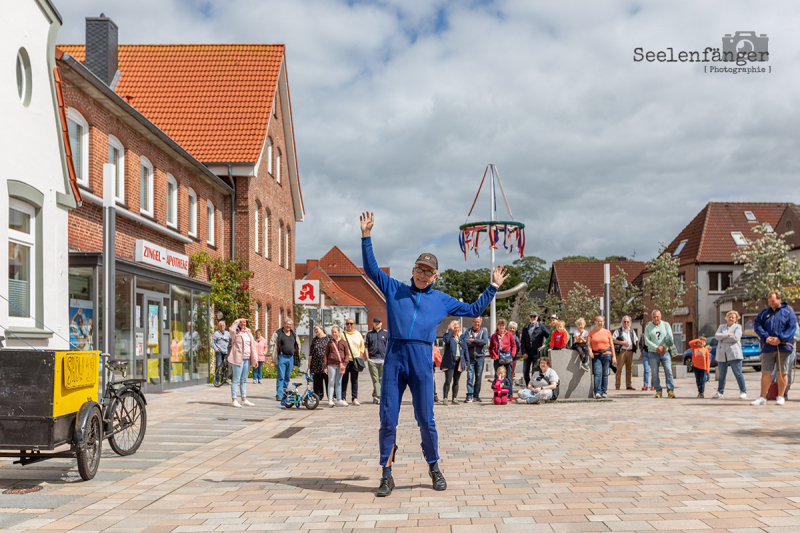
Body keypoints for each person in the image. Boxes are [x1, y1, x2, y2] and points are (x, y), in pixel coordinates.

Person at [360, 212, 507, 497]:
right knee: (388, 417)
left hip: (421, 359)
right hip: (395, 356)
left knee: (426, 418)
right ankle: (386, 473)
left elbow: (474, 310)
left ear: (435, 276)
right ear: (413, 269)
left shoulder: (441, 300)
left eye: (428, 271)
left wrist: (493, 287)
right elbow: (370, 269)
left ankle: (434, 465)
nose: (423, 274)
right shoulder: (394, 289)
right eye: (419, 268)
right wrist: (366, 236)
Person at [752, 290, 797, 406]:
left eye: (773, 300)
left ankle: (781, 396)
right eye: (769, 300)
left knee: (782, 372)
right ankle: (762, 397)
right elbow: (757, 325)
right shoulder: (763, 313)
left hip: (784, 347)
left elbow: (791, 328)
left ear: (779, 299)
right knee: (765, 372)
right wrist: (766, 337)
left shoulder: (789, 312)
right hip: (767, 347)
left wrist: (780, 339)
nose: (771, 302)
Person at [713, 310, 747, 399]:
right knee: (721, 374)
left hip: (734, 353)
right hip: (721, 353)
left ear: (736, 319)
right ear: (726, 318)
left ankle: (743, 391)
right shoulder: (721, 326)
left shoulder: (738, 327)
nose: (730, 319)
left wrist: (722, 337)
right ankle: (720, 392)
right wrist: (728, 335)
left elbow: (735, 338)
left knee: (738, 373)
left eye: (733, 317)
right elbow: (716, 336)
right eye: (729, 317)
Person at [644, 310, 675, 398]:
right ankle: (658, 390)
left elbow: (670, 337)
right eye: (654, 317)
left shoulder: (666, 325)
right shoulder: (648, 327)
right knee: (654, 372)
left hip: (665, 352)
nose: (656, 318)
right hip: (653, 352)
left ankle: (670, 390)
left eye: (657, 317)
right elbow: (647, 340)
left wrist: (663, 347)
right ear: (651, 317)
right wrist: (656, 348)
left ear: (660, 316)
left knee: (668, 370)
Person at [228, 317, 256, 408]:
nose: (242, 323)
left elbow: (253, 346)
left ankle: (244, 399)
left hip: (247, 359)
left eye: (244, 322)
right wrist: (237, 320)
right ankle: (234, 400)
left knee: (244, 380)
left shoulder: (248, 332)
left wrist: (255, 359)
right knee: (236, 379)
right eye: (241, 322)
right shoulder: (235, 332)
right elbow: (231, 329)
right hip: (238, 359)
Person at [441, 320, 468, 405]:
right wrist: (450, 330)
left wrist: (467, 361)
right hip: (449, 361)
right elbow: (447, 341)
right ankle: (445, 398)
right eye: (454, 328)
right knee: (448, 380)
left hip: (459, 361)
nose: (456, 329)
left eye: (457, 328)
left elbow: (465, 349)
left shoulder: (462, 337)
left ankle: (454, 397)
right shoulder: (447, 336)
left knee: (456, 381)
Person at [588, 315, 615, 399]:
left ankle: (604, 391)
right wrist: (590, 351)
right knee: (597, 373)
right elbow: (588, 344)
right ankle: (597, 392)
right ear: (595, 322)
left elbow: (612, 345)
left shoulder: (607, 332)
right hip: (596, 355)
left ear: (604, 322)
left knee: (605, 374)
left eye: (601, 321)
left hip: (607, 354)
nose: (599, 323)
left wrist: (614, 356)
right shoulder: (591, 331)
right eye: (598, 321)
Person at [272, 318, 300, 402]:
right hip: (282, 357)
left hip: (290, 358)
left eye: (290, 325)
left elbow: (298, 344)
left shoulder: (293, 334)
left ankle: (284, 392)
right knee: (281, 376)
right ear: (284, 324)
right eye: (287, 324)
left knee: (287, 377)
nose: (288, 326)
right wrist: (274, 356)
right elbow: (272, 344)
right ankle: (279, 394)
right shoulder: (278, 333)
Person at [341, 318, 367, 406]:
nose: (349, 325)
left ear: (354, 324)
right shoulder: (342, 334)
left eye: (351, 324)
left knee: (354, 380)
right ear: (345, 324)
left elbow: (362, 346)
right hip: (346, 361)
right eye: (347, 324)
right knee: (344, 380)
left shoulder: (358, 334)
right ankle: (343, 397)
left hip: (355, 360)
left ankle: (354, 398)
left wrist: (359, 357)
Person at [489, 318, 517, 397]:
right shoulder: (494, 336)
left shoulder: (509, 334)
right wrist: (493, 355)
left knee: (508, 376)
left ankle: (510, 394)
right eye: (500, 325)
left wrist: (512, 354)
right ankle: (496, 394)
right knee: (497, 376)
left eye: (503, 325)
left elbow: (514, 345)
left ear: (505, 326)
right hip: (498, 358)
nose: (501, 327)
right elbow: (490, 347)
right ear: (497, 326)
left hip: (507, 357)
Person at [520, 311, 549, 386]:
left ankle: (534, 386)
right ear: (529, 317)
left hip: (537, 353)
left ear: (537, 317)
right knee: (525, 371)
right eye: (531, 316)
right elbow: (522, 341)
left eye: (534, 317)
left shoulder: (541, 326)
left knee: (535, 371)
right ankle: (528, 386)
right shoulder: (525, 328)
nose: (533, 318)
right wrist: (523, 352)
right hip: (527, 353)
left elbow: (549, 336)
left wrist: (544, 345)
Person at [465, 317, 489, 403]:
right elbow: (466, 342)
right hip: (470, 358)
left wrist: (473, 340)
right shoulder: (468, 331)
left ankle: (476, 395)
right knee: (470, 377)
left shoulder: (484, 331)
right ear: (472, 322)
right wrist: (478, 343)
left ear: (481, 323)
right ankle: (470, 395)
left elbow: (484, 342)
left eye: (478, 322)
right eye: (475, 322)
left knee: (478, 377)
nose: (477, 323)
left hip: (480, 357)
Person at [365, 317, 389, 405]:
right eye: (375, 322)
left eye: (379, 322)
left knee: (381, 379)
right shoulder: (369, 334)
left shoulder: (386, 333)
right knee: (375, 379)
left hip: (383, 360)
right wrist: (368, 358)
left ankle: (375, 394)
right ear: (373, 323)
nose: (377, 323)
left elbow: (389, 346)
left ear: (381, 323)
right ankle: (379, 397)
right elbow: (366, 347)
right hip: (372, 360)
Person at [325, 325, 350, 407]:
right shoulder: (330, 343)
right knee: (331, 381)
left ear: (339, 332)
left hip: (341, 365)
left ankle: (339, 399)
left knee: (339, 382)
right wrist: (325, 366)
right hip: (331, 364)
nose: (334, 333)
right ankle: (330, 400)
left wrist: (345, 364)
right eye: (332, 332)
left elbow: (347, 354)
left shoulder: (343, 342)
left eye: (335, 332)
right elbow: (326, 355)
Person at [612, 316, 638, 390]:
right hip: (622, 351)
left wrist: (634, 345)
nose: (626, 323)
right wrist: (622, 342)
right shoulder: (618, 331)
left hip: (630, 351)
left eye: (628, 322)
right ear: (622, 322)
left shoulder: (632, 330)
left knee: (629, 369)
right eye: (625, 322)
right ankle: (617, 385)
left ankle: (628, 385)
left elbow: (635, 339)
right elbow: (613, 340)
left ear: (630, 323)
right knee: (619, 368)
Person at [309, 325, 331, 399]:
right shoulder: (314, 340)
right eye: (315, 330)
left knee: (328, 380)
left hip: (327, 364)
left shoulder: (329, 338)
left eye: (317, 329)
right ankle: (318, 396)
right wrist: (309, 364)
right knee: (317, 381)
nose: (316, 331)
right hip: (316, 364)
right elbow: (311, 353)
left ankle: (331, 396)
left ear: (322, 329)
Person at [507, 321, 522, 386]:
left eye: (513, 328)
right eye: (511, 328)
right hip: (504, 357)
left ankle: (509, 387)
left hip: (513, 357)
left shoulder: (516, 338)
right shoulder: (505, 336)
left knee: (511, 373)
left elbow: (518, 347)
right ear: (508, 328)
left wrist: (513, 353)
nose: (512, 329)